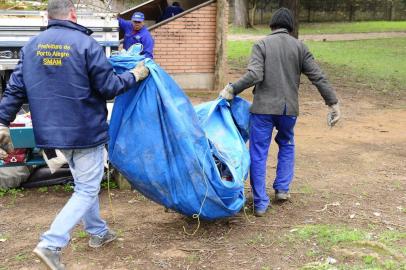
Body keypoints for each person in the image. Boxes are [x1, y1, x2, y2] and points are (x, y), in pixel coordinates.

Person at [0, 0, 150, 268]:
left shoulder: (32, 46)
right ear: (72, 14)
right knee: (87, 187)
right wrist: (135, 76)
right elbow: (108, 87)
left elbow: (14, 90)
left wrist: (2, 121)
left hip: (51, 134)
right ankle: (51, 243)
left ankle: (98, 232)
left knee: (84, 183)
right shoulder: (86, 44)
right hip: (84, 131)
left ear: (49, 17)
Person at [219, 8, 341, 217]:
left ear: (272, 25)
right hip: (288, 111)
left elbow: (255, 74)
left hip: (263, 110)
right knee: (286, 144)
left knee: (258, 153)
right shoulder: (300, 47)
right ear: (290, 26)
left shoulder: (262, 45)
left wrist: (232, 89)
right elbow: (318, 77)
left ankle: (260, 203)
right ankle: (282, 189)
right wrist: (333, 103)